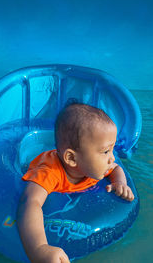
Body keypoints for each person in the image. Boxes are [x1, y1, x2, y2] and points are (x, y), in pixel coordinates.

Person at [16, 103, 134, 263]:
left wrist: (120, 183)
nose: (112, 157)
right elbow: (30, 202)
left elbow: (115, 168)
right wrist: (39, 249)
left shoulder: (94, 166)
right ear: (72, 158)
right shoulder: (49, 173)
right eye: (106, 151)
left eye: (112, 150)